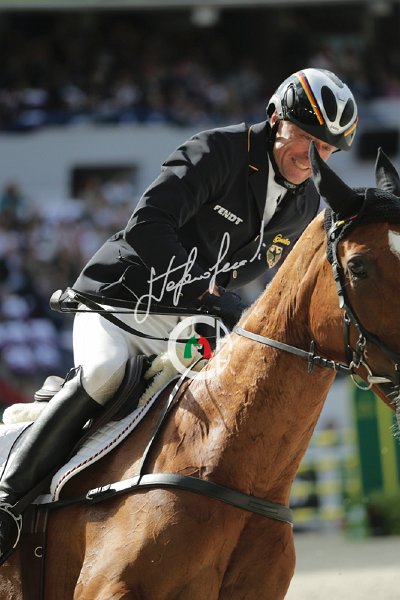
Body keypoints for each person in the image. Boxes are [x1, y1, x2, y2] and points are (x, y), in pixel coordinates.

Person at [0, 68, 358, 562]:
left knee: (222, 405)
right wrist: (204, 292)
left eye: (326, 148)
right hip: (122, 302)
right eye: (306, 138)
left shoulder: (306, 203)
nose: (312, 156)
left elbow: (250, 275)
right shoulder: (217, 151)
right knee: (105, 374)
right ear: (277, 118)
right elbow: (148, 225)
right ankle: (9, 498)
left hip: (188, 323)